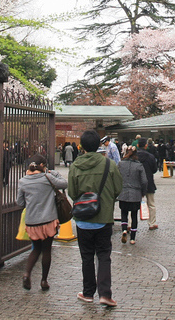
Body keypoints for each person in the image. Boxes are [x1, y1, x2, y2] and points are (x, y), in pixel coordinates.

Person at [68, 129, 122, 307]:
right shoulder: (109, 164)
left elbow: (72, 193)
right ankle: (105, 294)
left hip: (83, 219)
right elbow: (117, 190)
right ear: (99, 144)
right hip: (104, 217)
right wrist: (106, 200)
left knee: (86, 256)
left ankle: (88, 292)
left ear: (81, 146)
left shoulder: (75, 166)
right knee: (104, 255)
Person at [17, 153, 67, 291]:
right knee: (46, 250)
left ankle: (27, 273)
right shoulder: (47, 178)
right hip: (48, 220)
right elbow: (64, 183)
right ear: (43, 166)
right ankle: (44, 280)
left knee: (36, 249)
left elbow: (20, 202)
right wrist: (54, 173)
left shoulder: (23, 181)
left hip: (32, 222)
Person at [117, 146, 147, 244]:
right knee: (134, 215)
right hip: (135, 193)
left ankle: (124, 229)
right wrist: (143, 192)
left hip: (123, 192)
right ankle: (133, 238)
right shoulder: (139, 165)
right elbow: (144, 181)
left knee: (124, 213)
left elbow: (116, 177)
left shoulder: (120, 164)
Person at [138, 140, 158, 230]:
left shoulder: (134, 156)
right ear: (146, 145)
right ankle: (152, 223)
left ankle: (130, 224)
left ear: (138, 145)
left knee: (133, 204)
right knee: (151, 204)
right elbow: (154, 169)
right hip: (149, 182)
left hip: (137, 183)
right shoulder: (150, 156)